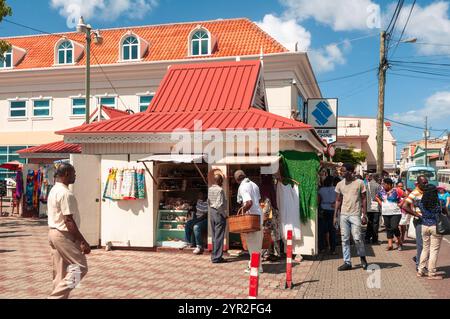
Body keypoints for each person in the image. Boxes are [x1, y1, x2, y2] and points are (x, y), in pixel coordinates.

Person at [47, 163, 90, 299]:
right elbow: (68, 220)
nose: (75, 176)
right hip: (63, 235)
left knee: (61, 273)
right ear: (66, 174)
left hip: (53, 232)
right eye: (73, 173)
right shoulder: (65, 193)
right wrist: (82, 241)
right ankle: (54, 297)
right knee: (80, 267)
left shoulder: (54, 189)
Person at [334, 163, 369, 271]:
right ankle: (347, 262)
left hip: (355, 215)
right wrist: (335, 216)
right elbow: (338, 200)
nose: (342, 173)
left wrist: (364, 214)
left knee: (357, 238)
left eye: (344, 171)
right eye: (342, 171)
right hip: (344, 215)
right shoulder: (340, 184)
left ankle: (363, 258)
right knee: (344, 239)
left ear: (350, 171)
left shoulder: (359, 183)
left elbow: (364, 199)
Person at [235, 170, 264, 273]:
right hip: (259, 216)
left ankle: (256, 267)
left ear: (237, 179)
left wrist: (242, 211)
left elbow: (249, 202)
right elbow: (258, 200)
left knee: (252, 244)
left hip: (251, 219)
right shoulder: (254, 184)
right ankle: (256, 265)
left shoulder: (243, 187)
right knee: (257, 244)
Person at [417, 184, 448, 280]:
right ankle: (431, 273)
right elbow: (445, 211)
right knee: (434, 250)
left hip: (424, 226)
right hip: (435, 227)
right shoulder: (440, 202)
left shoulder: (421, 203)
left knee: (425, 248)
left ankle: (420, 271)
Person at [402, 175, 428, 270]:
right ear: (418, 183)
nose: (426, 184)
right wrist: (417, 215)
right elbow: (405, 206)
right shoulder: (414, 193)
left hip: (429, 221)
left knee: (429, 245)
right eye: (424, 183)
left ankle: (418, 258)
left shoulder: (428, 191)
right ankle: (419, 265)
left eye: (427, 182)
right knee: (421, 244)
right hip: (419, 221)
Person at [376, 178, 403, 251]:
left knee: (394, 227)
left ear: (389, 184)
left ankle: (399, 242)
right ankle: (390, 245)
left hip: (396, 213)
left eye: (384, 184)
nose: (383, 185)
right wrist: (381, 204)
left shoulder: (397, 190)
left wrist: (401, 204)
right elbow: (376, 197)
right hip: (385, 212)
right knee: (388, 228)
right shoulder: (381, 191)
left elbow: (406, 196)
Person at [208, 174, 228, 263]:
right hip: (218, 213)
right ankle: (217, 257)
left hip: (212, 213)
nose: (222, 182)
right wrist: (224, 215)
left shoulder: (210, 189)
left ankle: (214, 256)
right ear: (220, 181)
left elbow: (208, 201)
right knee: (219, 236)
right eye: (222, 180)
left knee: (214, 236)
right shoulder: (220, 190)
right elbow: (219, 205)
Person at [318, 176, 337, 254]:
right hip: (332, 210)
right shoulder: (335, 189)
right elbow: (339, 199)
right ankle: (333, 250)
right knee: (332, 231)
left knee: (322, 230)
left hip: (323, 210)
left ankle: (322, 248)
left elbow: (318, 201)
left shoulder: (321, 190)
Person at [365, 174, 381, 245]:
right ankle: (374, 239)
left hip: (368, 207)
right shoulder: (378, 186)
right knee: (375, 224)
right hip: (376, 207)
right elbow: (381, 196)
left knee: (370, 223)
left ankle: (367, 238)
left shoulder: (366, 185)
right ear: (376, 178)